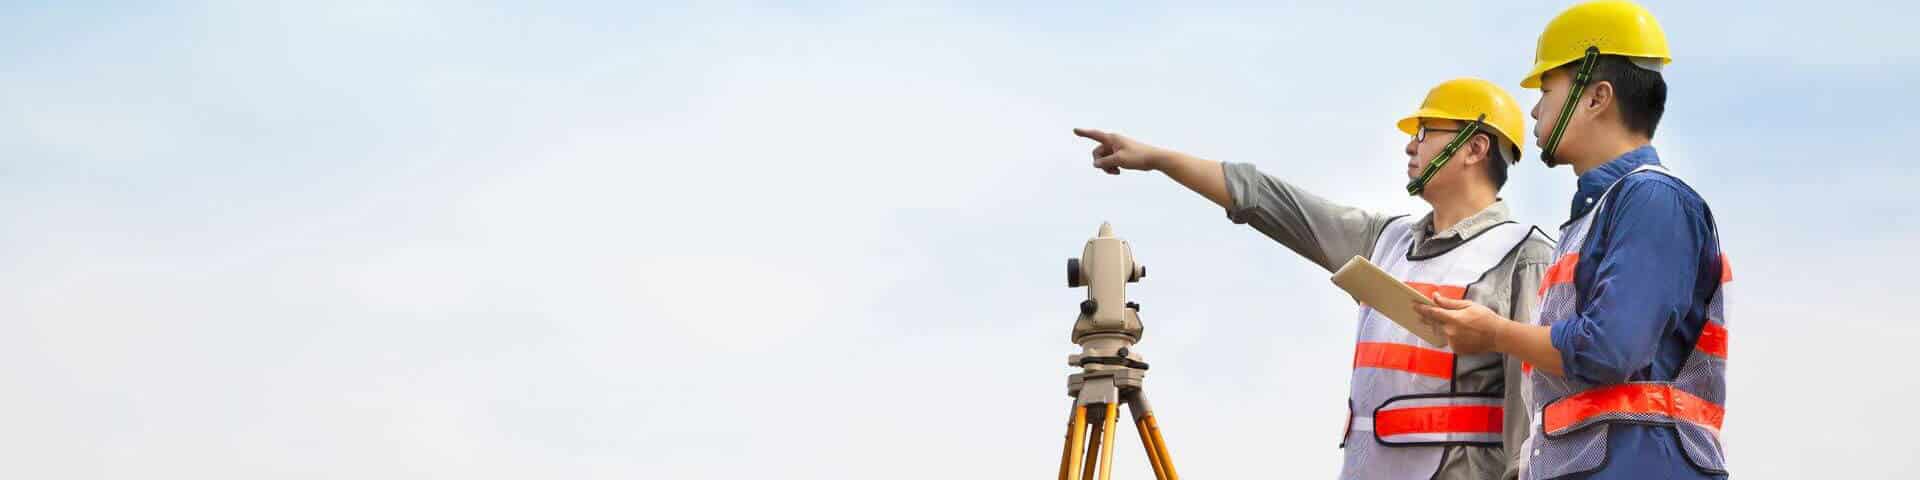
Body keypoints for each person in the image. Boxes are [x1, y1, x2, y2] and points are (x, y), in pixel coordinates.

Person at [1075, 77, 1553, 479]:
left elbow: (1532, 407)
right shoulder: (1384, 241)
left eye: (1426, 130)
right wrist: (1159, 159)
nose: (1411, 144)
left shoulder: (1522, 255)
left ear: (1475, 147)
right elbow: (1267, 200)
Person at [1413, 2, 1731, 479]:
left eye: (1546, 89)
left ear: (1596, 97)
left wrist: (1496, 333)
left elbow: (1609, 350)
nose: (1536, 109)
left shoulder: (1652, 200)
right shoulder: (1594, 216)